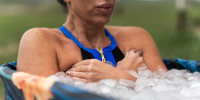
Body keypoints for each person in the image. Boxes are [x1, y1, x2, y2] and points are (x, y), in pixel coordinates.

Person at [17, 0, 167, 82]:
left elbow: (176, 92)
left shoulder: (137, 37)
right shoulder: (41, 41)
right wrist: (127, 76)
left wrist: (118, 77)